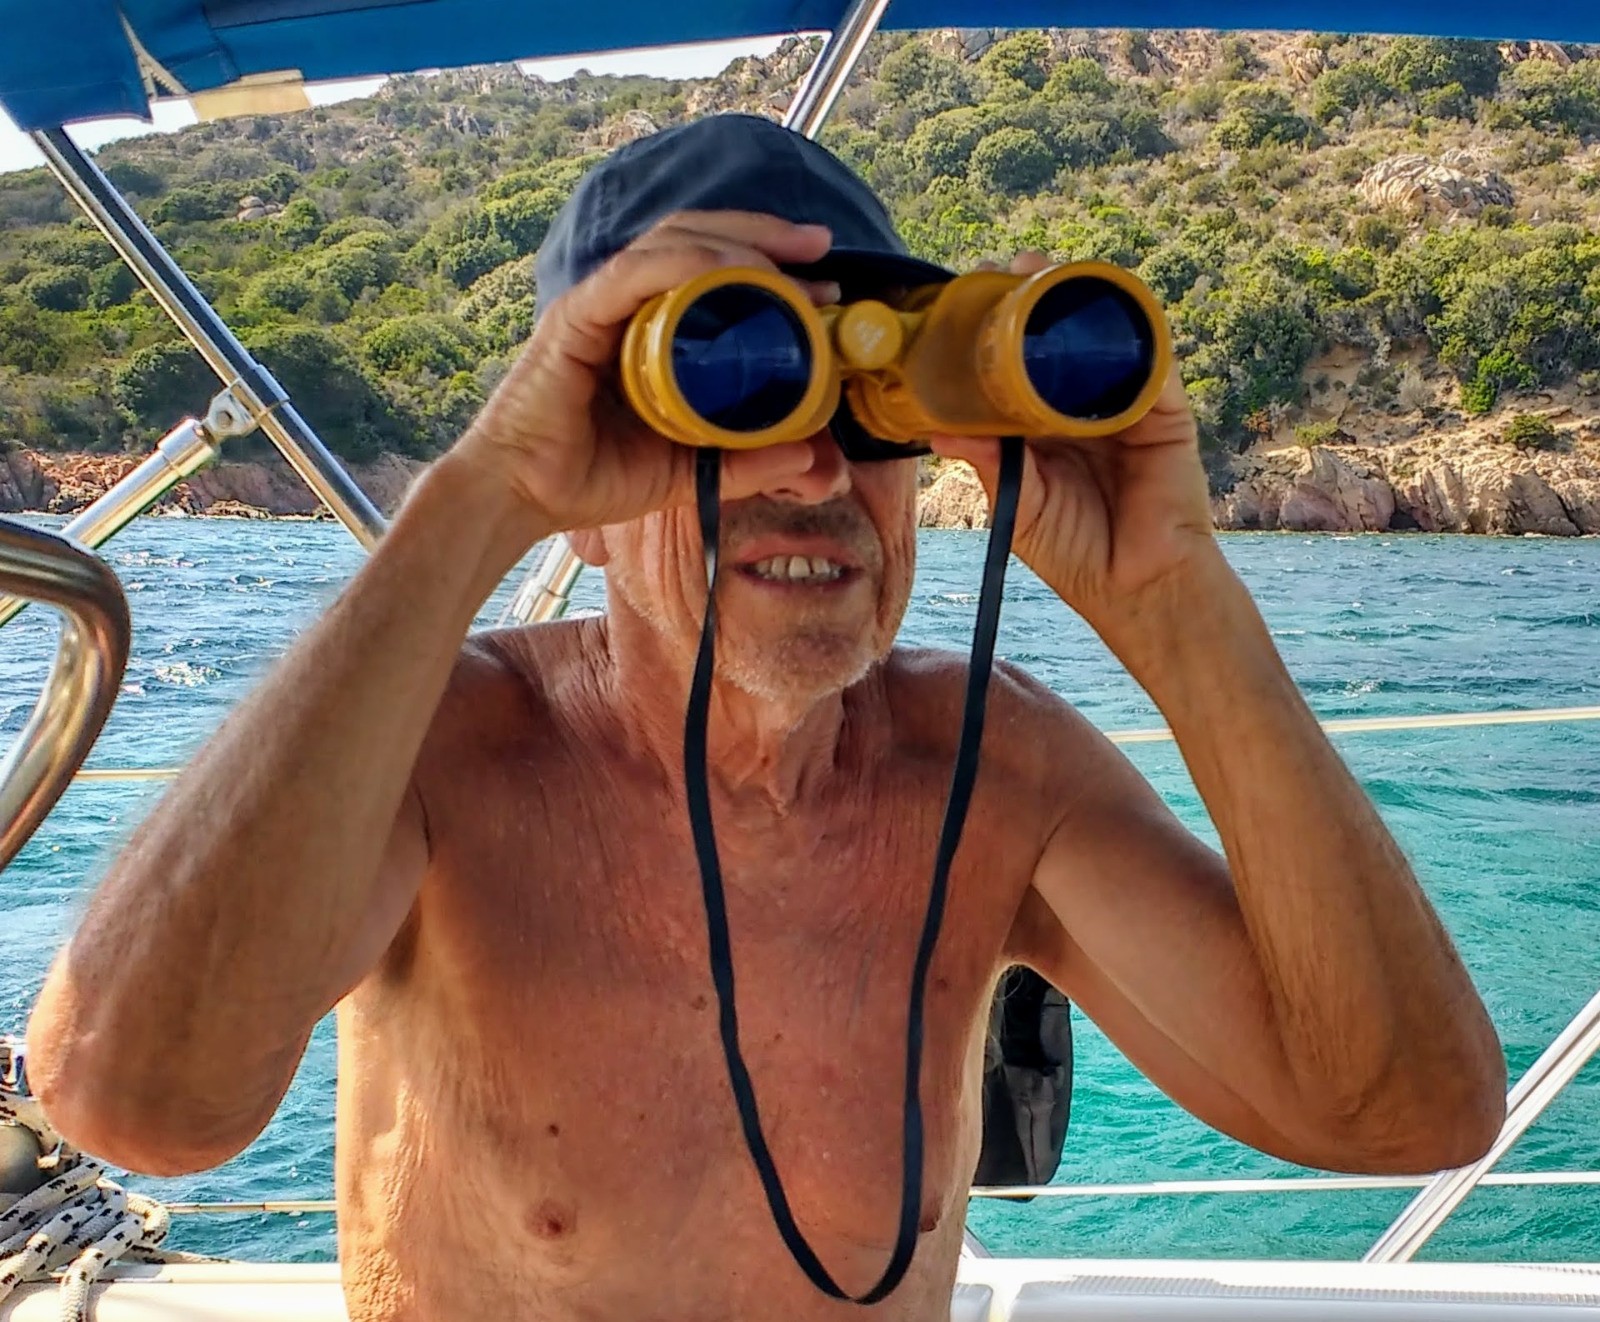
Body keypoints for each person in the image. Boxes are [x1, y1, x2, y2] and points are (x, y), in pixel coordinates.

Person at [24, 113, 1504, 1321]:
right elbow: (130, 1099)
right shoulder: (443, 755)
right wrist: (477, 499)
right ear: (584, 475)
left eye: (874, 405)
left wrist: (1176, 600)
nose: (816, 472)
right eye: (736, 390)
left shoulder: (992, 768)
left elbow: (1404, 1113)